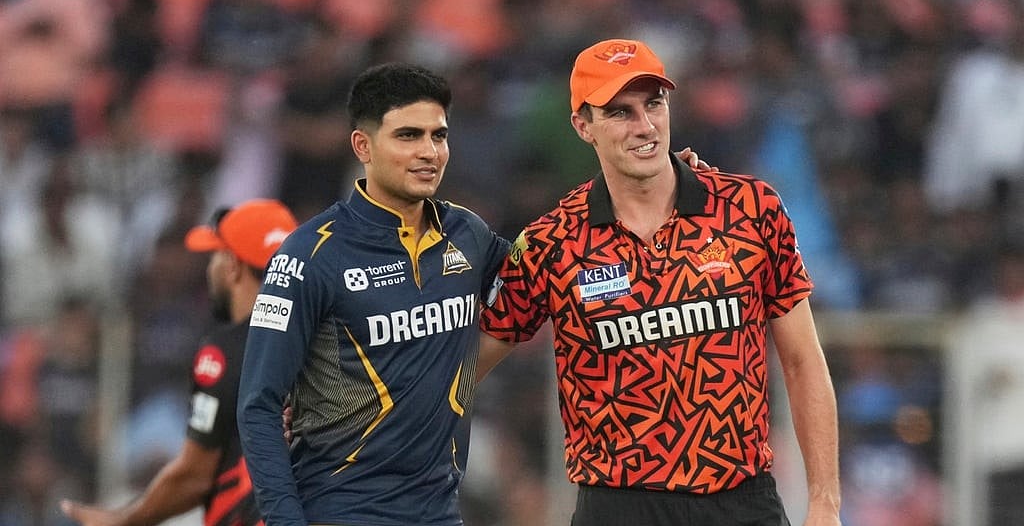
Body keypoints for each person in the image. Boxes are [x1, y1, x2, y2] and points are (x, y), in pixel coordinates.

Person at [239, 62, 711, 526]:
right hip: (340, 510)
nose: (429, 152)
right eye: (408, 136)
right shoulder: (309, 254)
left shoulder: (467, 234)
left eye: (438, 136)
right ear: (363, 145)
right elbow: (259, 406)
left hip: (439, 511)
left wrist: (662, 183)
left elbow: (561, 258)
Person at [477, 38, 842, 526]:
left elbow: (802, 361)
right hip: (617, 508)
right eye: (619, 112)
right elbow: (462, 368)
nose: (645, 125)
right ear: (583, 126)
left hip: (741, 501)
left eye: (654, 103)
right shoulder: (552, 242)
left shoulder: (750, 210)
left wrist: (825, 502)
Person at [60, 198, 299, 526]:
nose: (210, 268)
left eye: (215, 255)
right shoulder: (323, 338)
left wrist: (122, 520)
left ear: (232, 265)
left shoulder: (225, 351)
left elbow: (194, 476)